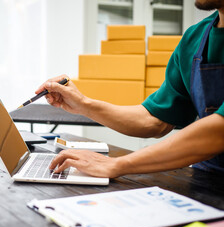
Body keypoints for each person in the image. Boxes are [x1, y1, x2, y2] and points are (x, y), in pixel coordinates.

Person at [36, 0, 224, 178]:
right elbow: (156, 120)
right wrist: (83, 105)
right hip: (205, 180)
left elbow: (218, 131)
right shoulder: (195, 38)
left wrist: (116, 164)